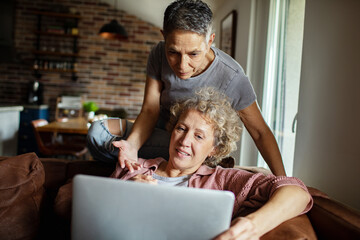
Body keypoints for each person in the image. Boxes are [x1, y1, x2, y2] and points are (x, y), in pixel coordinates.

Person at [87, 0, 287, 176]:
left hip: (192, 145)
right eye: (173, 52)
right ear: (164, 36)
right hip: (159, 135)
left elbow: (261, 132)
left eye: (193, 54)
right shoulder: (158, 54)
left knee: (185, 147)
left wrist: (284, 180)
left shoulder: (232, 77)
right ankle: (189, 166)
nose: (182, 66)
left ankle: (196, 162)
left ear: (210, 41)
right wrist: (131, 146)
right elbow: (149, 111)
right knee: (97, 132)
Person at [110, 88, 312, 239]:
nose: (184, 141)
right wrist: (127, 195)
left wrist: (253, 225)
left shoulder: (224, 180)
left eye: (198, 136)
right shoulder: (133, 166)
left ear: (214, 149)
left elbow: (296, 192)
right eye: (181, 128)